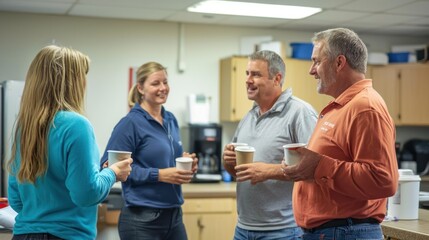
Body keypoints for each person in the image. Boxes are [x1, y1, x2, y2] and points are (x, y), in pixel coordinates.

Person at [282, 28, 399, 240]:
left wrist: (318, 166)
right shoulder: (340, 106)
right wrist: (303, 167)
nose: (311, 70)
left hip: (347, 231)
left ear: (339, 63)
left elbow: (383, 180)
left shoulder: (365, 108)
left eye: (317, 61)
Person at [6, 45, 133, 240]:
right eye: (83, 76)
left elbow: (16, 199)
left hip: (24, 234)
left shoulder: (26, 127)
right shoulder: (77, 125)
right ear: (71, 82)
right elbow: (86, 195)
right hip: (66, 235)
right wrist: (112, 173)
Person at [222, 50, 318, 240]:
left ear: (277, 78)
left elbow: (315, 169)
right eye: (247, 73)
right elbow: (240, 173)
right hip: (243, 228)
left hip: (284, 230)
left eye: (256, 74)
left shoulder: (300, 113)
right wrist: (228, 162)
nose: (248, 80)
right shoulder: (248, 117)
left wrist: (268, 171)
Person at [100, 61, 198, 240]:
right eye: (155, 83)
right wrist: (159, 175)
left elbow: (169, 164)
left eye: (165, 82)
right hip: (141, 220)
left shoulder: (170, 119)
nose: (163, 88)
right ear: (140, 88)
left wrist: (187, 164)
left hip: (174, 216)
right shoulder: (130, 123)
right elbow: (109, 166)